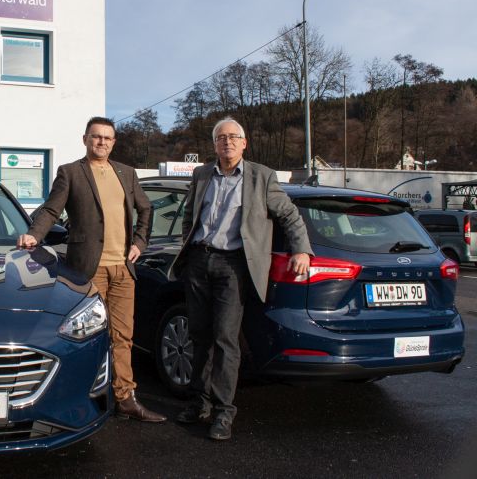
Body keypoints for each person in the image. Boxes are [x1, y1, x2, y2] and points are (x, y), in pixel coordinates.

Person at [170, 116, 312, 440]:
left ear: (244, 143)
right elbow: (190, 216)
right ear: (215, 144)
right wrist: (187, 249)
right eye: (222, 138)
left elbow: (289, 215)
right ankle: (199, 402)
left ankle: (223, 412)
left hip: (233, 267)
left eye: (234, 137)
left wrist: (301, 250)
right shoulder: (202, 173)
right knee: (199, 335)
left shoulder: (262, 177)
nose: (228, 142)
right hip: (199, 262)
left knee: (224, 339)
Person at [18, 116, 165, 423]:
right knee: (85, 336)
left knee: (123, 336)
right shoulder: (71, 173)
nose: (101, 142)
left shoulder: (126, 172)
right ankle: (81, 398)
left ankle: (125, 398)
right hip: (87, 270)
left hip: (124, 269)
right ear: (85, 139)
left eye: (107, 138)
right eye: (96, 137)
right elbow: (50, 209)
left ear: (114, 142)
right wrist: (35, 234)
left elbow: (147, 208)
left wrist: (140, 241)